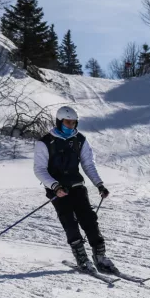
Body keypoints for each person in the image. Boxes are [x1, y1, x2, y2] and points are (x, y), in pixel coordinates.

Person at [33, 106, 118, 274]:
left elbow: (88, 164)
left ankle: (100, 257)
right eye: (67, 122)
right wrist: (55, 186)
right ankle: (82, 259)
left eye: (73, 122)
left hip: (77, 186)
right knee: (69, 222)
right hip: (57, 189)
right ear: (59, 122)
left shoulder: (80, 140)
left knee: (89, 220)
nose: (70, 125)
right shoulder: (44, 142)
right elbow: (40, 170)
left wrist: (99, 184)